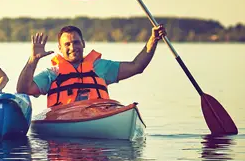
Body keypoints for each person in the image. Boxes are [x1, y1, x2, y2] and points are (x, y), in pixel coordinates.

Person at [15, 25, 167, 107]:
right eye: (67, 44)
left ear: (83, 44)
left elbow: (137, 66)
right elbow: (22, 90)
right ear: (60, 49)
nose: (72, 47)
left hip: (99, 115)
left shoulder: (100, 67)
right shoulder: (52, 74)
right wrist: (33, 59)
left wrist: (153, 39)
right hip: (63, 119)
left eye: (76, 42)